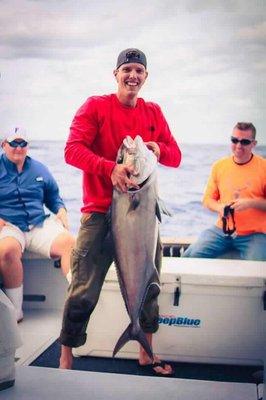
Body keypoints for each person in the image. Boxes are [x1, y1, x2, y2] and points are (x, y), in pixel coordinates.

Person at [59, 48, 182, 375]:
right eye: (127, 69)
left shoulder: (153, 112)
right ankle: (66, 356)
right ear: (115, 74)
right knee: (83, 288)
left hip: (141, 216)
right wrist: (108, 168)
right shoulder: (96, 106)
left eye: (139, 70)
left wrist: (157, 148)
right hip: (99, 214)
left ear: (145, 76)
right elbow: (72, 151)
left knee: (150, 284)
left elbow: (175, 156)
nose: (133, 76)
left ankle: (145, 350)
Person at [0, 127, 76, 322]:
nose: (18, 148)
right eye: (13, 143)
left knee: (69, 242)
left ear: (27, 146)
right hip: (9, 225)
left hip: (38, 223)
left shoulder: (39, 169)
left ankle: (77, 300)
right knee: (6, 251)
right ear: (4, 145)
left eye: (22, 143)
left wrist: (61, 210)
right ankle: (16, 310)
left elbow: (53, 196)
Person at [183, 122, 266, 260]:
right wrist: (220, 207)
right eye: (235, 140)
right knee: (190, 256)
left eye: (245, 142)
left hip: (254, 235)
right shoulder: (219, 166)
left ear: (254, 143)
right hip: (221, 231)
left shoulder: (263, 167)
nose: (239, 145)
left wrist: (250, 203)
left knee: (257, 269)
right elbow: (207, 200)